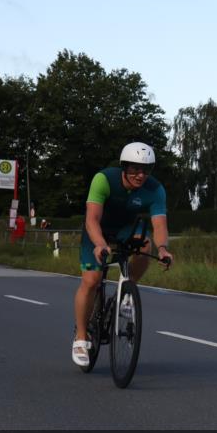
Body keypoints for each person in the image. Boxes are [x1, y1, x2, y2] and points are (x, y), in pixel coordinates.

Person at [72, 142, 173, 366]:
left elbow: (159, 225)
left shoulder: (155, 190)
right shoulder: (104, 179)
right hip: (97, 230)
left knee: (145, 244)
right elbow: (92, 219)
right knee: (91, 281)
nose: (141, 175)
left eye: (146, 170)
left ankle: (127, 291)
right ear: (124, 166)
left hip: (126, 229)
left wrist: (164, 249)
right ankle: (80, 337)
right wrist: (99, 244)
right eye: (135, 169)